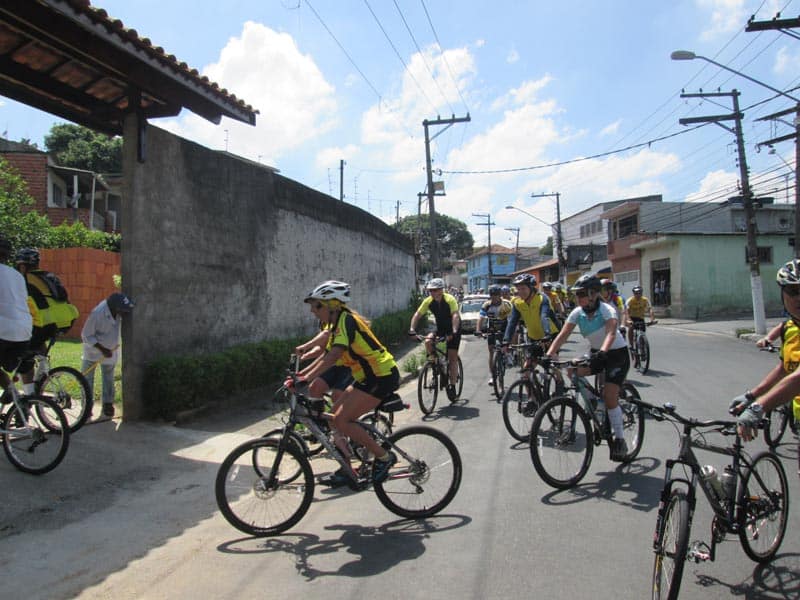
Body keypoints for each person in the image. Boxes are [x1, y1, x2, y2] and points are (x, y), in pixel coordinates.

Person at [298, 280, 399, 486]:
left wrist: (305, 378)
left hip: (381, 375)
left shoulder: (347, 320)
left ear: (333, 305)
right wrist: (301, 375)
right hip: (366, 377)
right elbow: (325, 354)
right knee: (333, 418)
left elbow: (334, 355)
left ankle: (384, 457)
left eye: (317, 305)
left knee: (343, 420)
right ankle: (346, 468)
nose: (312, 310)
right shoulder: (335, 324)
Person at [543, 274, 632, 461]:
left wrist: (603, 351)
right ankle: (592, 401)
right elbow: (563, 335)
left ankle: (620, 439)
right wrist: (549, 354)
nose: (578, 297)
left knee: (609, 396)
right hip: (597, 353)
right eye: (577, 294)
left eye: (582, 294)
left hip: (616, 354)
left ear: (593, 294)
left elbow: (611, 333)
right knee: (571, 370)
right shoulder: (577, 312)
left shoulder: (607, 310)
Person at [731, 259, 800, 443]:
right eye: (793, 291)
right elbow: (785, 369)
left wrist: (758, 408)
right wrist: (751, 395)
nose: (799, 298)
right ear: (783, 294)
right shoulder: (791, 328)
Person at [14, 248, 79, 394]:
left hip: (44, 322)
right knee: (38, 339)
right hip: (64, 321)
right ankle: (44, 364)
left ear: (22, 266)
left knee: (25, 359)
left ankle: (29, 396)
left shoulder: (24, 280)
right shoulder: (48, 277)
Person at [81, 292, 135, 418]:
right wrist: (103, 349)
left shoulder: (117, 312)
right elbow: (86, 335)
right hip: (93, 352)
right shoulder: (97, 314)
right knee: (87, 380)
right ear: (115, 308)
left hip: (110, 352)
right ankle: (87, 407)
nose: (125, 313)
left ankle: (107, 404)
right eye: (123, 310)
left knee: (108, 378)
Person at [409, 278, 462, 400]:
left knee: (452, 357)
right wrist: (412, 329)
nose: (433, 292)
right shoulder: (428, 301)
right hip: (441, 328)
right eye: (431, 290)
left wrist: (453, 331)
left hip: (454, 328)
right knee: (428, 341)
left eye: (435, 290)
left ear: (441, 290)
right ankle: (434, 363)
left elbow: (455, 315)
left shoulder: (450, 299)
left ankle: (452, 385)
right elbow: (417, 314)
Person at [0, 236, 33, 395]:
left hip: (4, 330)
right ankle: (22, 401)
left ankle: (11, 391)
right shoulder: (17, 275)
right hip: (24, 331)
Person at [502, 273, 555, 368]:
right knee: (527, 369)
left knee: (551, 363)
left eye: (523, 289)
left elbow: (544, 316)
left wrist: (547, 334)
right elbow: (512, 322)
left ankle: (559, 377)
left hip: (549, 335)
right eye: (518, 289)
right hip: (533, 337)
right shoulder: (518, 303)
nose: (520, 292)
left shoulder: (542, 299)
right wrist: (506, 341)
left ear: (531, 288)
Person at [476, 284, 512, 385]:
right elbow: (481, 318)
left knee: (506, 342)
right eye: (492, 295)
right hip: (492, 328)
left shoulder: (507, 304)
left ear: (500, 295)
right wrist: (478, 330)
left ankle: (508, 353)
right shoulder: (486, 305)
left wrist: (512, 331)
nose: (494, 297)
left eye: (496, 295)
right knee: (491, 352)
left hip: (505, 327)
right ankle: (492, 376)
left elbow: (511, 320)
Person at [624, 285, 655, 353]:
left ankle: (642, 346)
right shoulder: (630, 300)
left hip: (640, 318)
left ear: (641, 293)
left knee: (642, 332)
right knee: (631, 328)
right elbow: (626, 311)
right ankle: (631, 344)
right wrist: (628, 320)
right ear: (633, 293)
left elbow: (650, 310)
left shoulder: (645, 300)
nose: (638, 294)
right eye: (636, 293)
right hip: (631, 317)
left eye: (639, 293)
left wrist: (652, 319)